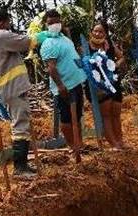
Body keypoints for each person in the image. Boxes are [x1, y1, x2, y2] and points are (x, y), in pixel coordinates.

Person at [0, 7, 37, 178]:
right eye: (8, 22)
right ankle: (20, 167)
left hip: (5, 89)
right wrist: (41, 36)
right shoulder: (0, 36)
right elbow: (25, 42)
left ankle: (23, 165)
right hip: (13, 88)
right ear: (1, 23)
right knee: (20, 126)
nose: (9, 25)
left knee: (19, 123)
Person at [39, 9, 88, 152]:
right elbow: (51, 67)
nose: (54, 24)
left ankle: (80, 144)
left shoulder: (64, 39)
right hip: (66, 86)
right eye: (51, 23)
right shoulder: (48, 43)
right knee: (66, 118)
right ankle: (73, 146)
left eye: (57, 21)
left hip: (76, 83)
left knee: (77, 116)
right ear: (46, 24)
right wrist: (60, 86)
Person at [87, 22, 126, 149]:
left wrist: (115, 65)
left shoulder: (109, 46)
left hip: (113, 82)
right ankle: (113, 143)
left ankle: (120, 140)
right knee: (106, 114)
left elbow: (121, 58)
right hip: (99, 84)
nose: (97, 34)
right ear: (91, 32)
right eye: (95, 31)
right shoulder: (86, 47)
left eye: (101, 31)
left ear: (105, 33)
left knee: (116, 111)